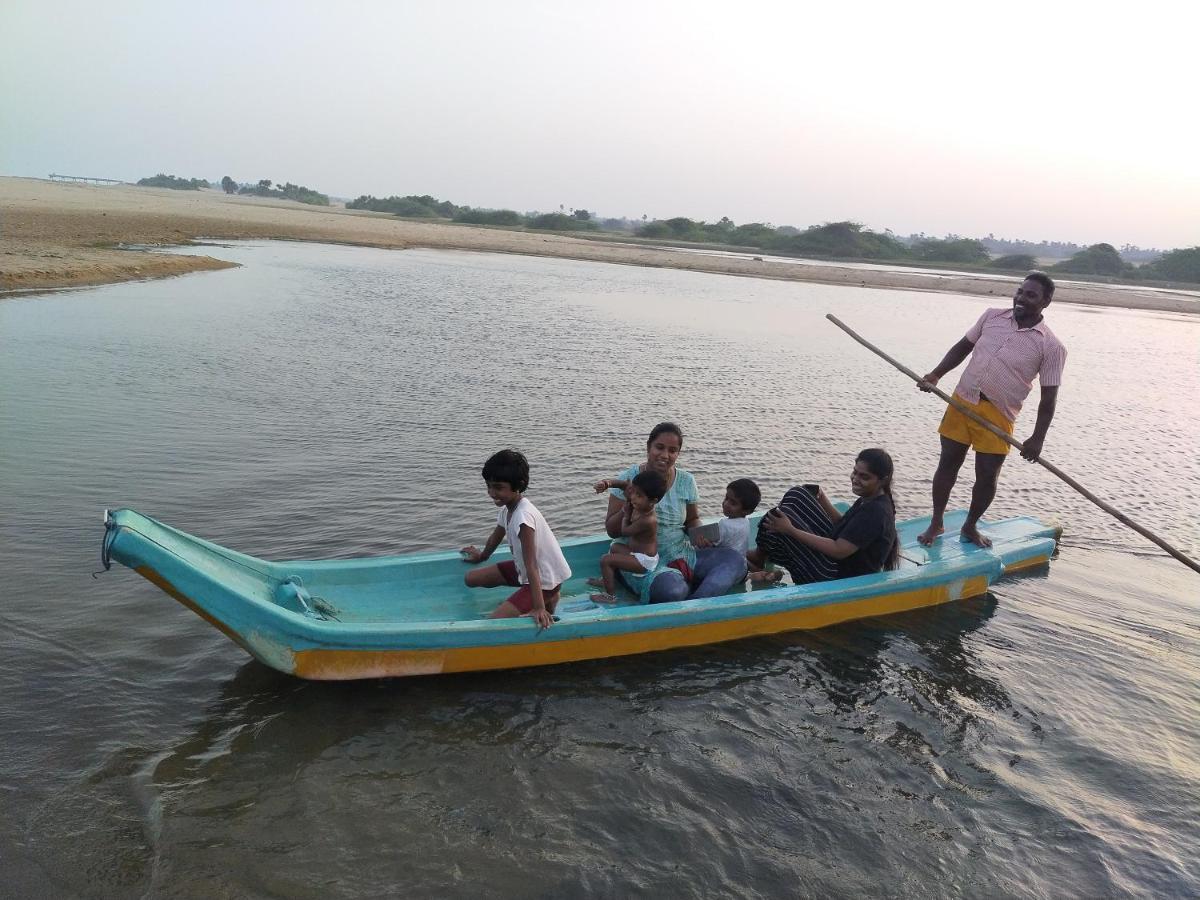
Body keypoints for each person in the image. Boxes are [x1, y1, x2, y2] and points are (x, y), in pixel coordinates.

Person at [916, 272, 1067, 547]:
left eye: (1030, 295)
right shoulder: (991, 317)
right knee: (948, 463)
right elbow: (962, 347)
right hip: (962, 400)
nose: (1021, 298)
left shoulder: (1052, 346)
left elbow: (1048, 399)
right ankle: (936, 522)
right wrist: (936, 375)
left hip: (999, 413)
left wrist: (1037, 439)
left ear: (1046, 302)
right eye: (1020, 291)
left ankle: (970, 526)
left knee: (986, 475)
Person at [596, 422, 747, 603]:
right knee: (673, 591)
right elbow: (612, 531)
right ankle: (685, 593)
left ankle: (696, 603)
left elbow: (692, 519)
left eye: (672, 450)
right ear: (648, 447)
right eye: (659, 447)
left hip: (682, 553)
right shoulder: (628, 479)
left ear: (677, 454)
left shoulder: (686, 480)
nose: (665, 455)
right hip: (642, 559)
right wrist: (630, 499)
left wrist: (699, 533)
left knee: (736, 561)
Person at [748, 449, 899, 584]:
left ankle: (758, 558)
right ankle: (760, 556)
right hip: (839, 560)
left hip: (838, 575)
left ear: (883, 480)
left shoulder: (875, 511)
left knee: (782, 516)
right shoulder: (869, 498)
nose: (855, 479)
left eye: (864, 477)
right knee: (797, 494)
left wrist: (791, 530)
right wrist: (822, 498)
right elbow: (844, 526)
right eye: (855, 472)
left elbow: (839, 550)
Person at [461, 449, 571, 629]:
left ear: (518, 485)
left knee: (493, 625)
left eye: (498, 487)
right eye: (488, 486)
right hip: (527, 572)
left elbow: (532, 565)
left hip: (544, 580)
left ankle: (549, 597)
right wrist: (481, 556)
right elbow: (495, 538)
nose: (491, 492)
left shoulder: (523, 518)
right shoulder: (507, 509)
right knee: (470, 578)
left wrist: (538, 608)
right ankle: (547, 598)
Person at [588, 470, 666, 603]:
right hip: (636, 552)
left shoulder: (648, 520)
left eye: (639, 495)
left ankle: (610, 596)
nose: (633, 497)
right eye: (634, 492)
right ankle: (607, 580)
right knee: (614, 547)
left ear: (653, 501)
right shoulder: (639, 503)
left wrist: (625, 513)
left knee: (605, 560)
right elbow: (624, 485)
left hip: (645, 561)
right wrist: (607, 483)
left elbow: (625, 531)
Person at [694, 478, 761, 555]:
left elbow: (707, 543)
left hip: (723, 563)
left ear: (747, 511)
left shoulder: (724, 524)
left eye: (733, 503)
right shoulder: (746, 522)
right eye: (726, 498)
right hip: (741, 563)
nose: (726, 504)